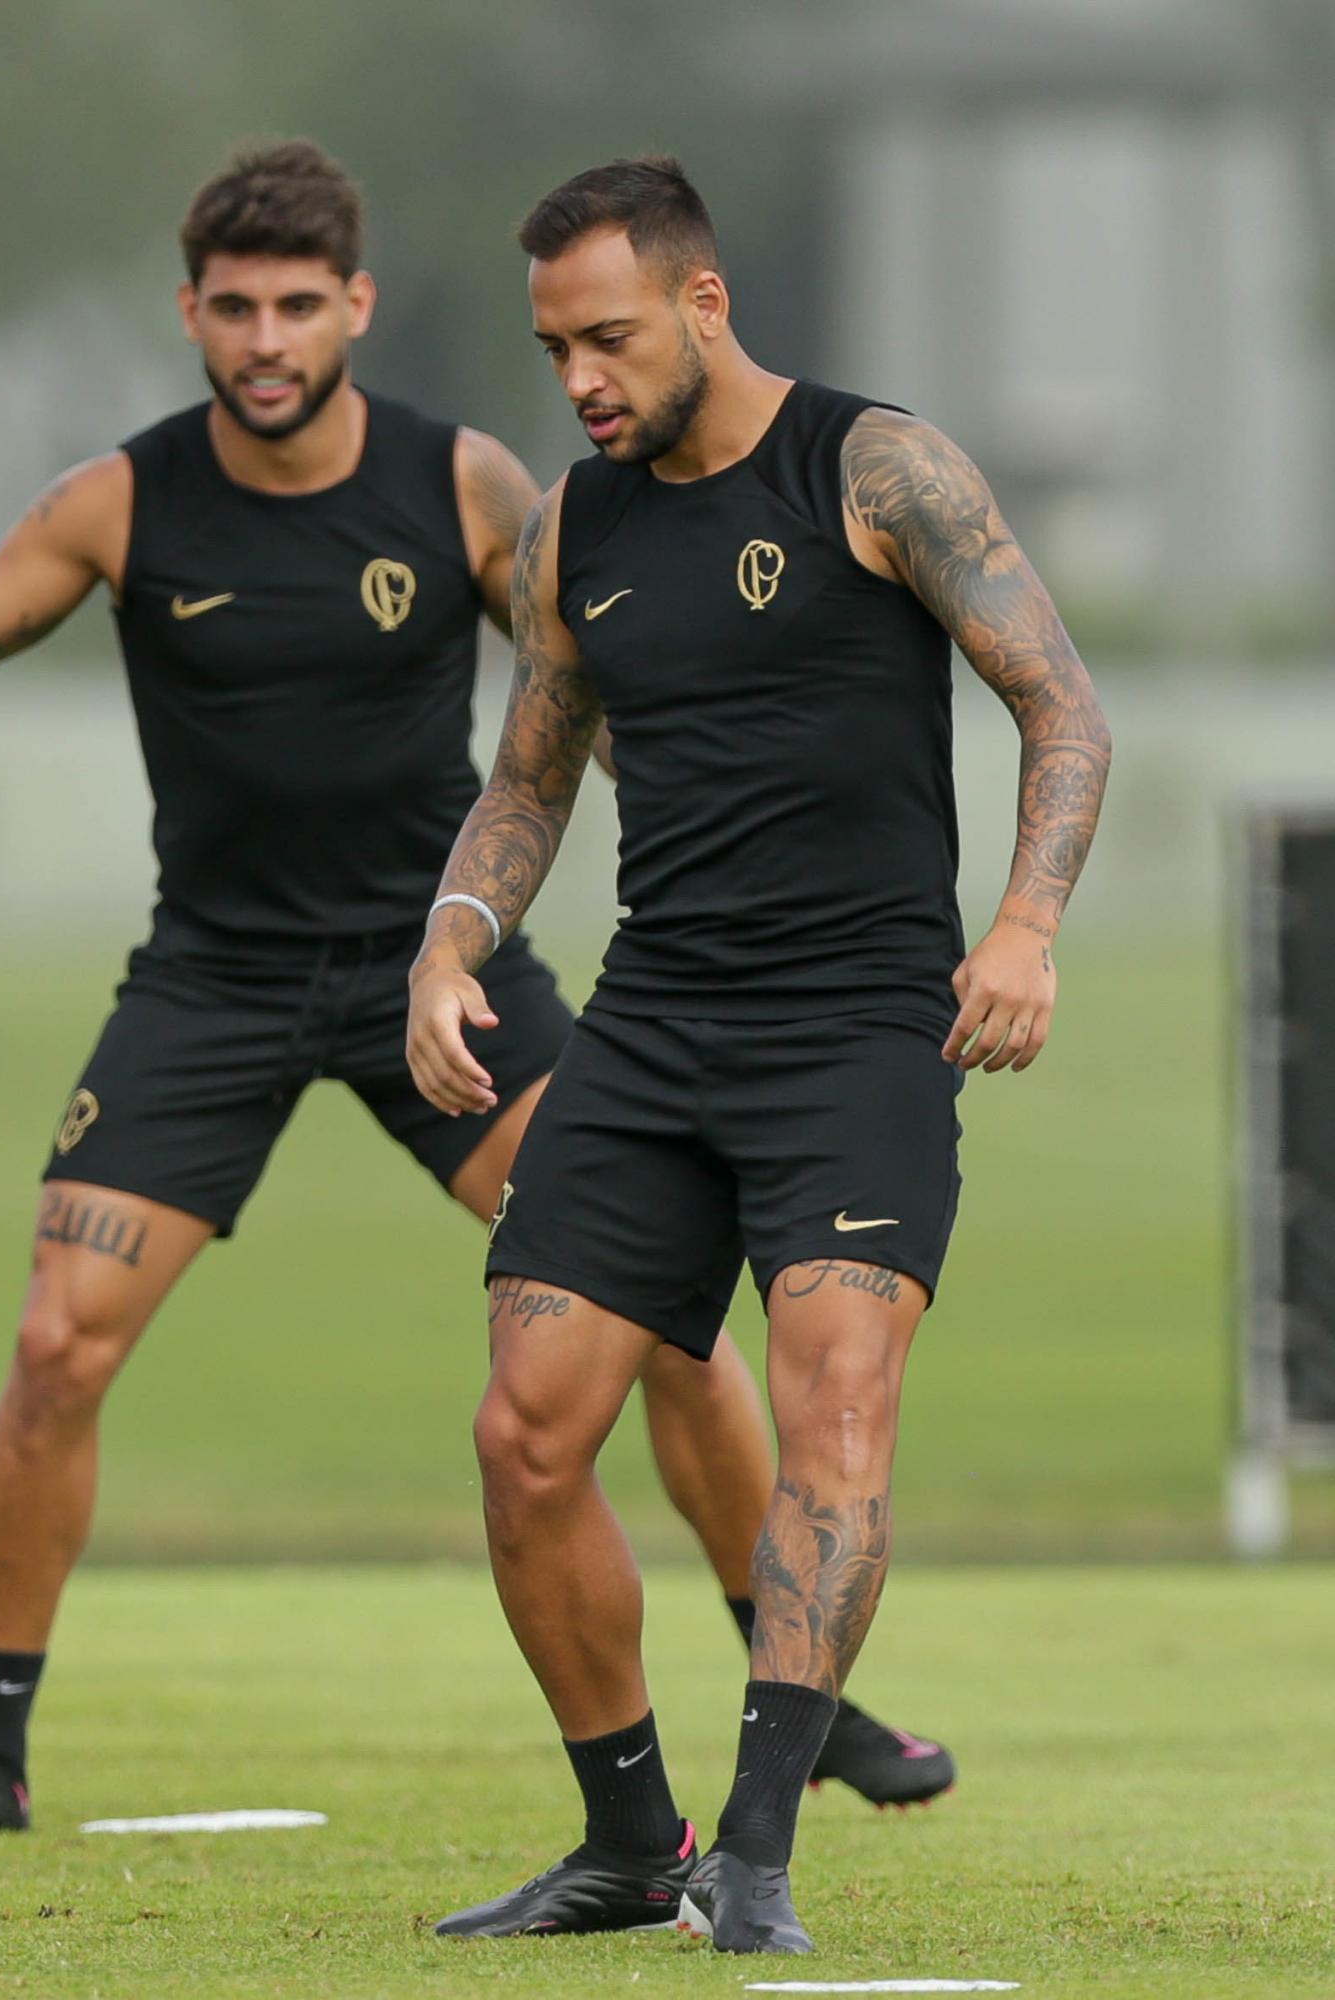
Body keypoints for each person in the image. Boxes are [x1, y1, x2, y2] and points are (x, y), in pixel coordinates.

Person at [0, 141, 949, 1845]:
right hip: (213, 980)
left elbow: (586, 694)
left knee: (669, 1330)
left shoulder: (463, 484)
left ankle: (807, 1694)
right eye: (232, 307)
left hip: (439, 978)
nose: (264, 337)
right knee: (53, 1344)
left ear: (354, 309)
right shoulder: (123, 499)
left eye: (297, 304)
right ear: (191, 313)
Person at [408, 156, 1110, 1953]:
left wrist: (1022, 928)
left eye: (611, 338)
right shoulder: (578, 523)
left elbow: (1060, 704)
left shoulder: (880, 469)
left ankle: (763, 1854)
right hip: (654, 1028)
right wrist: (452, 939)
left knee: (835, 1410)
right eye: (556, 345)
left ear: (705, 305)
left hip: (861, 1030)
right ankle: (632, 1842)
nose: (579, 378)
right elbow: (530, 776)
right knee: (523, 1437)